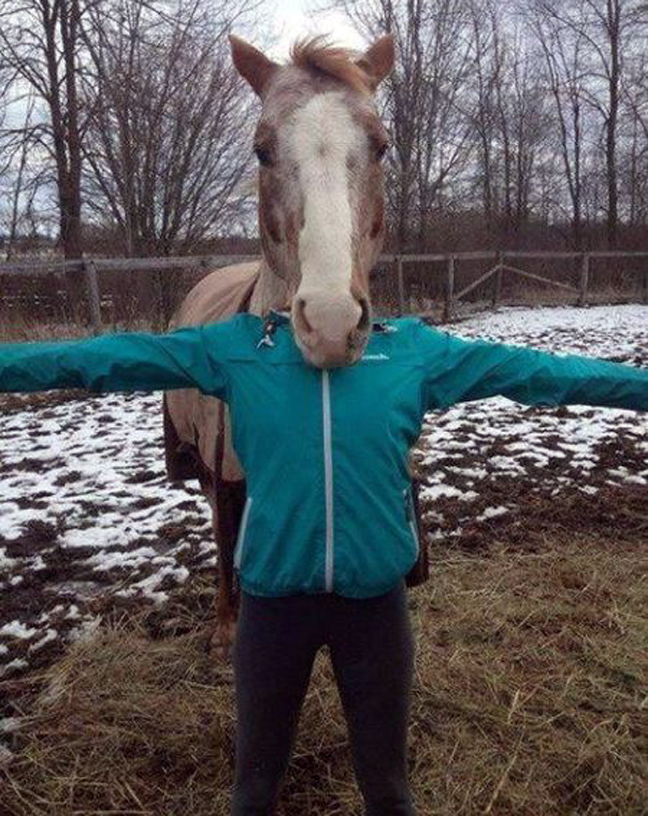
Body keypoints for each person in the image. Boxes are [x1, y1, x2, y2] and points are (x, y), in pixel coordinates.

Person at [1, 308, 646, 815]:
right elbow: (101, 360)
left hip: (375, 611)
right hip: (273, 612)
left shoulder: (413, 351)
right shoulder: (239, 349)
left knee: (388, 792)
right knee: (253, 793)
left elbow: (541, 373)